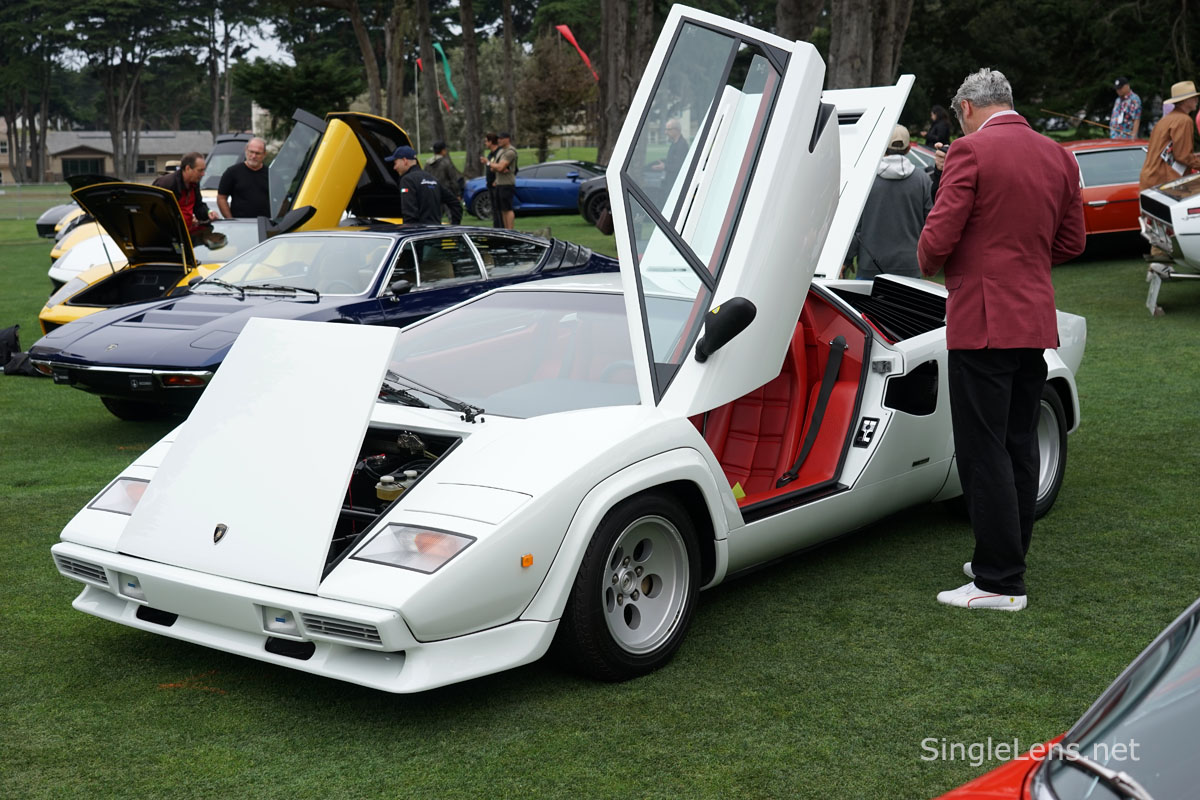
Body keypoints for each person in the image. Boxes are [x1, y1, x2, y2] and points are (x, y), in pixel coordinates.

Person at [917, 68, 1085, 612]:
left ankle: (1000, 579)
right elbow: (1072, 241)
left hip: (984, 319)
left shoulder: (970, 151)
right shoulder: (1058, 155)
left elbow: (934, 244)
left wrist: (980, 259)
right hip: (1031, 317)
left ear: (966, 108)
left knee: (982, 447)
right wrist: (1021, 259)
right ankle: (1005, 558)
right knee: (1017, 442)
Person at [844, 125, 932, 280]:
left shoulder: (866, 179)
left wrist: (847, 259)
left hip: (870, 264)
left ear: (883, 147)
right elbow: (930, 224)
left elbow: (856, 227)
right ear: (908, 148)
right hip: (909, 265)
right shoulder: (922, 179)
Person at [385, 145, 461, 226]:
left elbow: (409, 214)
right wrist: (454, 225)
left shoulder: (407, 180)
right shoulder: (432, 179)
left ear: (404, 160)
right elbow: (455, 202)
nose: (394, 167)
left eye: (395, 163)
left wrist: (409, 230)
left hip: (418, 232)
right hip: (435, 230)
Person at [153, 152, 216, 233]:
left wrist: (208, 212)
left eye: (204, 170)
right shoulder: (167, 184)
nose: (203, 174)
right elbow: (157, 213)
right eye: (200, 170)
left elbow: (198, 206)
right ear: (187, 168)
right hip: (168, 234)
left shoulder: (194, 183)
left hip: (187, 233)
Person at [216, 137, 269, 219]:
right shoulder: (232, 172)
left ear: (264, 154)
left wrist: (277, 221)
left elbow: (283, 200)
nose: (253, 156)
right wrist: (230, 219)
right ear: (246, 150)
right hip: (240, 223)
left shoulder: (271, 174)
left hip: (265, 223)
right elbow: (221, 198)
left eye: (258, 153)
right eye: (251, 152)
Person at [484, 131, 518, 229]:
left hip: (507, 183)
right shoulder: (501, 151)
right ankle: (505, 231)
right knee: (502, 210)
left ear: (507, 139)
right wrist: (497, 167)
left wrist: (489, 163)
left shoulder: (510, 151)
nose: (499, 140)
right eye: (498, 138)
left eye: (501, 139)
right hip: (499, 183)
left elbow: (499, 167)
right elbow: (495, 168)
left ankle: (510, 231)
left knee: (507, 209)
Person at [425, 140, 463, 224]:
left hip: (432, 193)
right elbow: (453, 180)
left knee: (435, 217)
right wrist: (458, 193)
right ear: (443, 150)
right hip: (446, 192)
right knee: (451, 215)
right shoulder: (446, 163)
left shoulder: (428, 163)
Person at [651, 118, 688, 187]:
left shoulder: (682, 145)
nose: (666, 132)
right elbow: (672, 161)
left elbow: (679, 166)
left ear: (676, 130)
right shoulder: (674, 143)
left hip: (676, 183)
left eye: (668, 129)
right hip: (669, 181)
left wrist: (665, 166)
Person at [480, 133, 503, 228]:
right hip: (490, 184)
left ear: (491, 141)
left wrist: (496, 180)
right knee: (494, 208)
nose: (485, 143)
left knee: (499, 209)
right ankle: (496, 228)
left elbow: (500, 168)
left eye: (486, 141)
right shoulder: (490, 154)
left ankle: (501, 228)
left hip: (497, 185)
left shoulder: (499, 153)